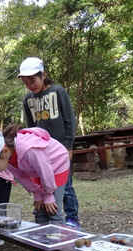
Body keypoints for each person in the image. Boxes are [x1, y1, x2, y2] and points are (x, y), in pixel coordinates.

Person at [0, 125, 70, 251]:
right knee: (39, 210)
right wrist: (37, 193)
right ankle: (42, 246)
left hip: (56, 165)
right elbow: (22, 177)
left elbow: (46, 172)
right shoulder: (9, 156)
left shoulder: (29, 149)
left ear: (4, 152)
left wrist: (47, 195)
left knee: (53, 209)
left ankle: (58, 249)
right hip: (38, 170)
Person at [17, 57, 80, 228]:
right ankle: (47, 218)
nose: (30, 85)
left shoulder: (58, 91)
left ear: (43, 75)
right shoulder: (27, 99)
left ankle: (72, 218)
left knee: (65, 185)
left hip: (59, 149)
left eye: (33, 80)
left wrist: (68, 145)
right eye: (26, 82)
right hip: (40, 151)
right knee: (46, 182)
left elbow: (69, 120)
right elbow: (31, 127)